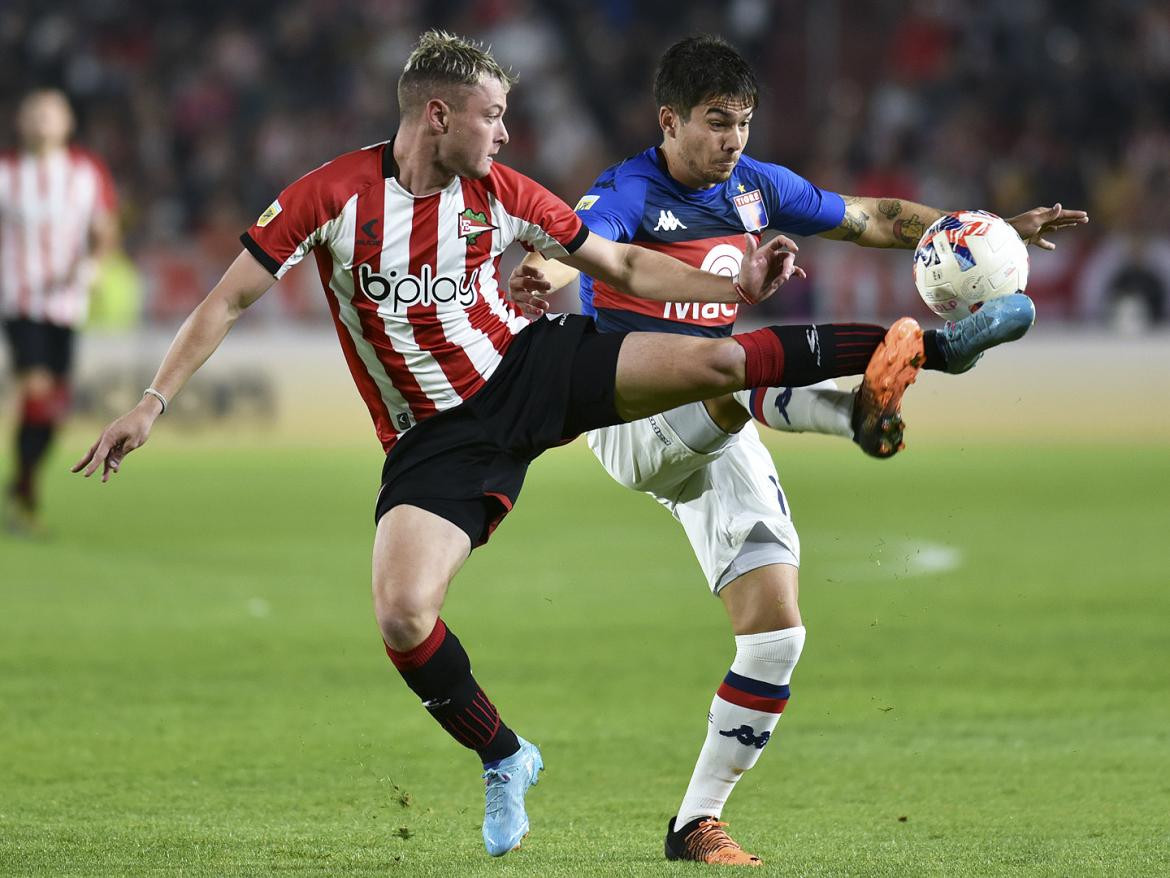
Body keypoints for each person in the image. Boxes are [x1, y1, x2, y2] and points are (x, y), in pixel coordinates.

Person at [75, 30, 1019, 860]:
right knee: (403, 614)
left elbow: (612, 261)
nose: (507, 135)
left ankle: (929, 347)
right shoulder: (331, 196)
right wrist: (152, 400)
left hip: (530, 372)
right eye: (494, 117)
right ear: (438, 115)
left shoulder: (509, 189)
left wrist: (726, 291)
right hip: (435, 438)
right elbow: (231, 295)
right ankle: (503, 756)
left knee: (712, 368)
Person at [510, 35, 1085, 867]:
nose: (733, 140)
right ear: (669, 121)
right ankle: (881, 389)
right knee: (726, 367)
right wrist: (541, 269)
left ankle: (695, 824)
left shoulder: (757, 188)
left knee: (775, 637)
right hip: (630, 416)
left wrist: (988, 235)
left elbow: (876, 219)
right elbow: (592, 249)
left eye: (743, 122)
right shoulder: (628, 189)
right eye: (715, 123)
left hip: (726, 419)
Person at [2, 89, 118, 535]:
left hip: (68, 304)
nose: (40, 120)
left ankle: (21, 483)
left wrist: (93, 264)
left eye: (49, 113)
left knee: (55, 409)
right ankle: (25, 494)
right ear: (20, 122)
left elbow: (104, 227)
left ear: (67, 122)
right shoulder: (7, 173)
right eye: (32, 112)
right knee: (36, 388)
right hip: (20, 300)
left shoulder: (86, 172)